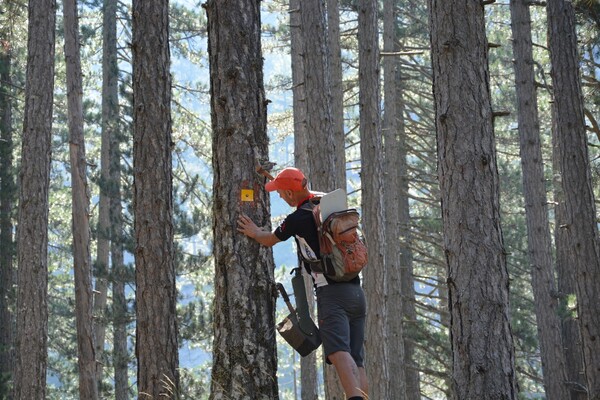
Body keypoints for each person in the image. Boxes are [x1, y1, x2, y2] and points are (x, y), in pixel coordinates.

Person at [237, 167, 368, 400]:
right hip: (356, 292)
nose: (278, 196)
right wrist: (278, 180)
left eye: (280, 192)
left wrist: (255, 231)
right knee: (357, 360)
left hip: (331, 295)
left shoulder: (296, 219)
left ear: (289, 193)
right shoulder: (327, 206)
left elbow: (269, 240)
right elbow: (308, 193)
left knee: (339, 353)